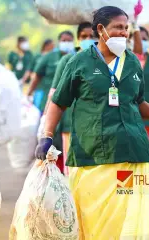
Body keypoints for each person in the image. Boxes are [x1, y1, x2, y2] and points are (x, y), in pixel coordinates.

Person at [34, 6, 149, 239]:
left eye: (126, 28)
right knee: (95, 223)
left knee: (130, 219)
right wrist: (47, 136)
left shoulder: (132, 62)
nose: (124, 33)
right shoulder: (79, 63)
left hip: (132, 156)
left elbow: (138, 102)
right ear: (101, 30)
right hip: (93, 158)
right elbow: (58, 102)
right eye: (118, 28)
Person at [40, 22, 95, 175]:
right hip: (70, 123)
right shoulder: (68, 60)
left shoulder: (103, 61)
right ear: (78, 38)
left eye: (92, 36)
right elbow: (54, 93)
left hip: (95, 125)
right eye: (84, 36)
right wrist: (45, 120)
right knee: (71, 168)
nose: (88, 39)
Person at [27, 30, 75, 112]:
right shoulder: (49, 56)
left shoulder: (77, 57)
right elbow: (36, 75)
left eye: (69, 41)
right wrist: (28, 93)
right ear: (59, 42)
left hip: (69, 105)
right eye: (64, 40)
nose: (66, 43)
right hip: (48, 99)